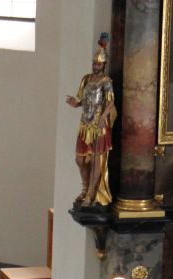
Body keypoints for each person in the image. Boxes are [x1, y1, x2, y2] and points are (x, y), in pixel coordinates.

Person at [65, 33, 116, 209]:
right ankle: (85, 187)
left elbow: (110, 103)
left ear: (104, 65)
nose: (95, 66)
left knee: (95, 160)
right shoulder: (86, 79)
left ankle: (91, 193)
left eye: (99, 64)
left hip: (98, 125)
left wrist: (103, 118)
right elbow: (82, 100)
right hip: (85, 124)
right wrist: (75, 103)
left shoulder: (106, 82)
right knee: (80, 160)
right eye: (94, 63)